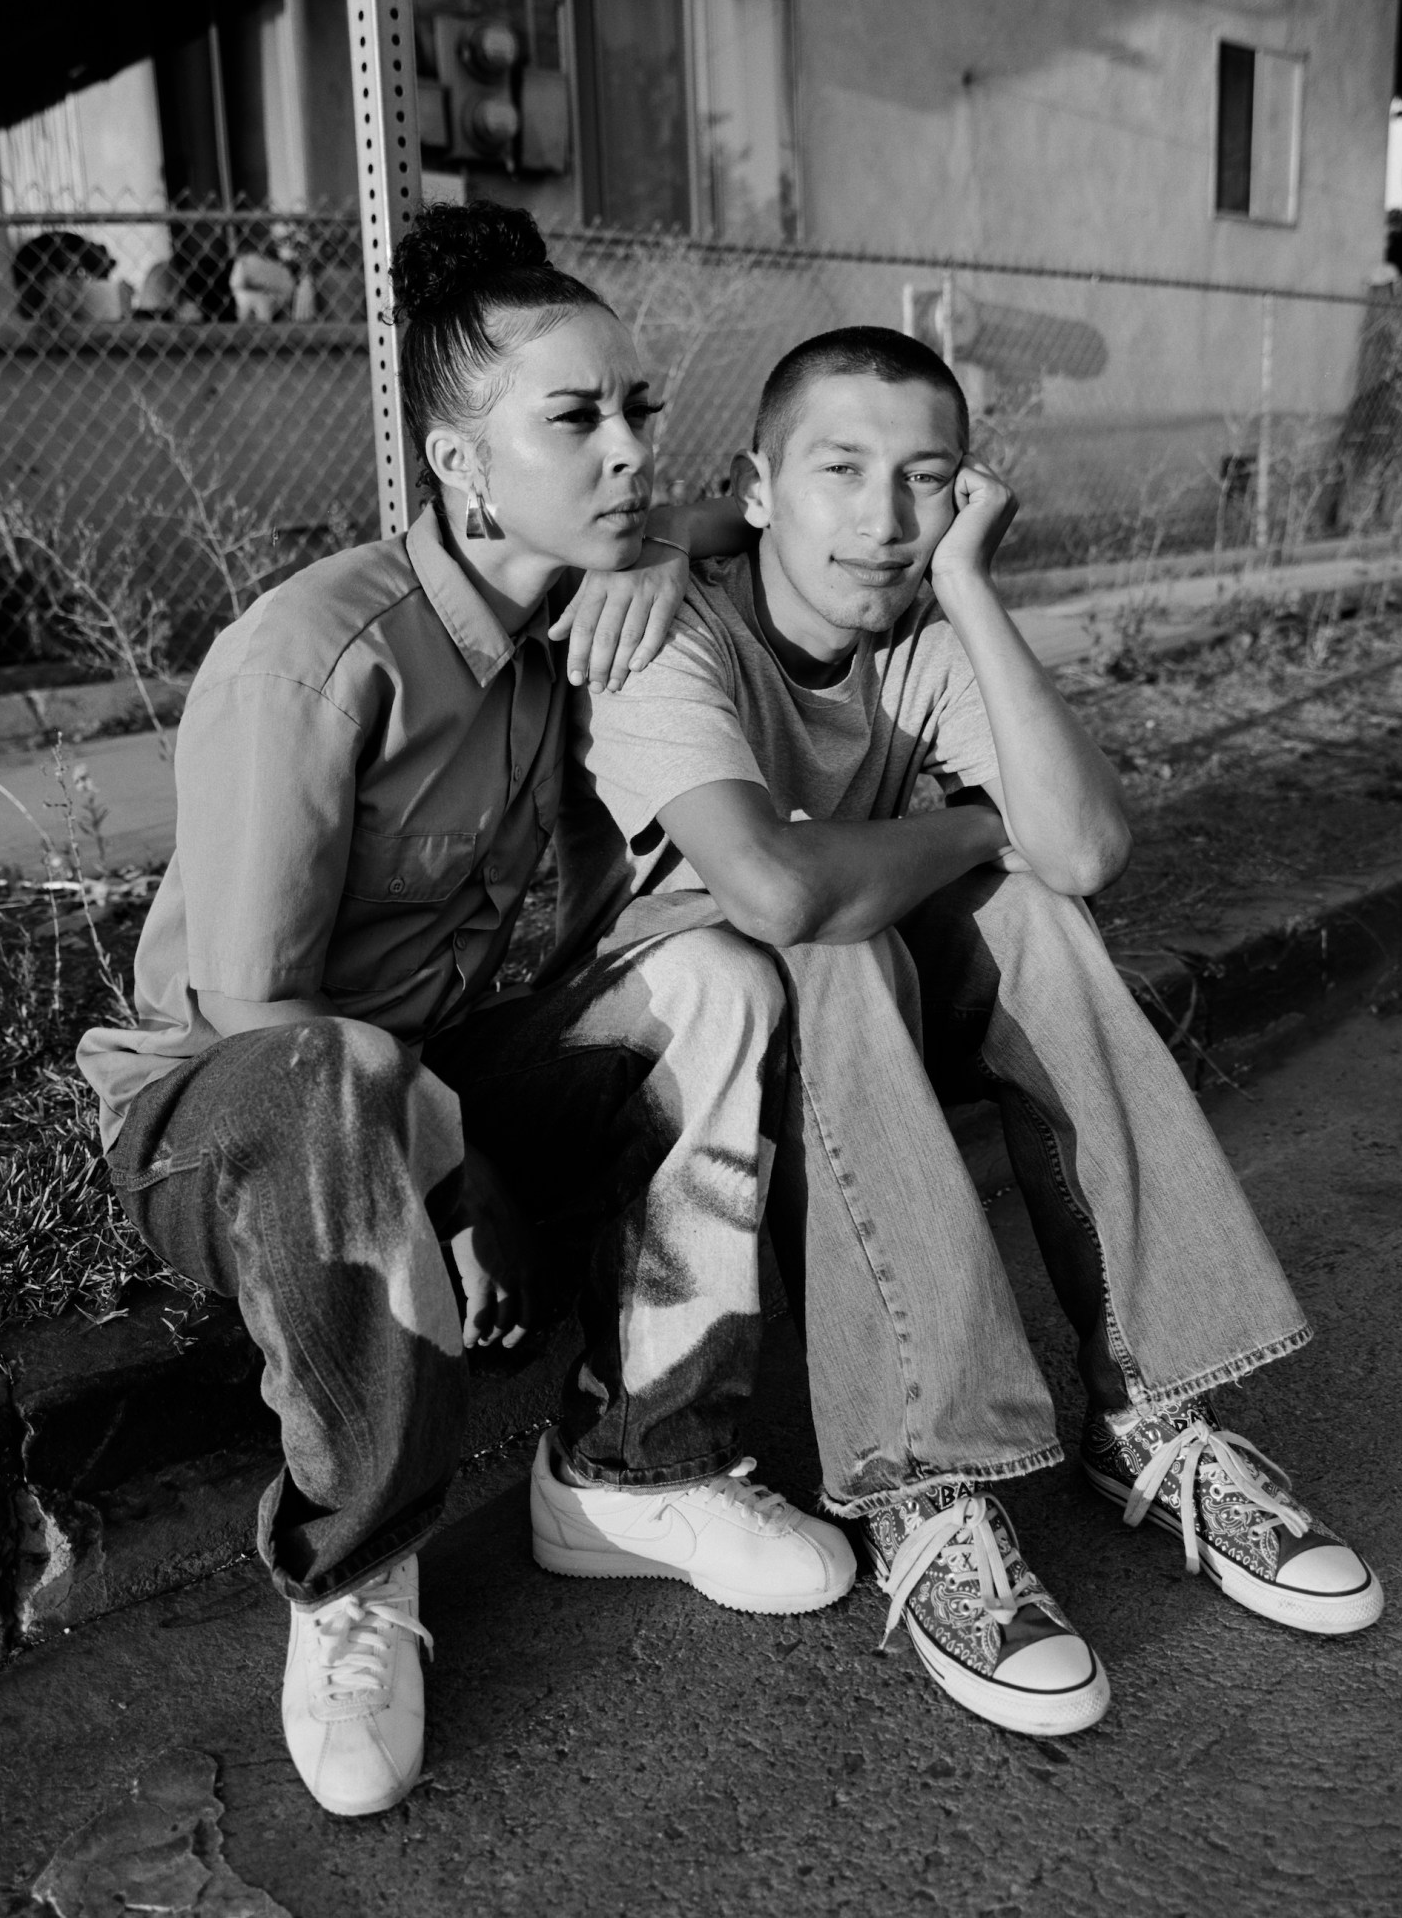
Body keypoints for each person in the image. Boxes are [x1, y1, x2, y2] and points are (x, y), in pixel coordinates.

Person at [77, 203, 855, 1821]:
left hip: (416, 1073)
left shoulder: (561, 607)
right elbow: (253, 1010)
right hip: (226, 1117)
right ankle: (358, 1574)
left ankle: (637, 1470)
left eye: (638, 408)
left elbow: (721, 520)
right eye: (573, 420)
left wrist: (661, 553)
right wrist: (460, 1182)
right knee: (337, 1074)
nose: (630, 449)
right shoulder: (313, 657)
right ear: (455, 462)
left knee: (715, 975)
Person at [549, 325, 1384, 1740]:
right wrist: (965, 827)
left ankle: (1155, 1416)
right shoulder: (665, 623)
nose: (880, 517)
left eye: (923, 479)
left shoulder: (923, 635)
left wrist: (968, 591)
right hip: (661, 1064)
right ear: (758, 485)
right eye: (839, 470)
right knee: (841, 942)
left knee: (1038, 926)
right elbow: (779, 889)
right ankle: (926, 1486)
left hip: (847, 1023)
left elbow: (1086, 850)